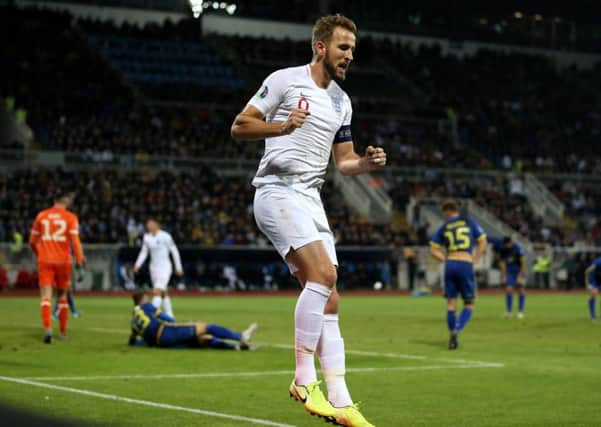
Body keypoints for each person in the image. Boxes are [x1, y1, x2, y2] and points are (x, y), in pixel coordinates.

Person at [231, 14, 385, 427]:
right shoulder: (284, 80)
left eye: (352, 49)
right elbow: (240, 126)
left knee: (330, 299)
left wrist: (366, 162)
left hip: (310, 198)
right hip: (277, 190)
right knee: (322, 278)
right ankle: (303, 379)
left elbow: (344, 161)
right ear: (320, 47)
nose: (349, 55)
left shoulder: (342, 101)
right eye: (343, 47)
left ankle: (341, 400)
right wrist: (281, 127)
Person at [29, 192, 86, 343]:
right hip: (63, 262)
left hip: (45, 260)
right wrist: (79, 262)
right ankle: (62, 333)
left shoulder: (41, 216)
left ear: (54, 200)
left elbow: (32, 241)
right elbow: (75, 242)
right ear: (66, 201)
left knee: (45, 296)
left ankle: (48, 330)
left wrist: (39, 254)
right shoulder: (71, 217)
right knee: (62, 296)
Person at [430, 199, 487, 350]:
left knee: (451, 304)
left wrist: (446, 258)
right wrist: (476, 259)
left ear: (447, 211)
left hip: (451, 263)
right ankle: (457, 330)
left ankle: (452, 335)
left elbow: (433, 250)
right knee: (469, 303)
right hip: (465, 262)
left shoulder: (444, 226)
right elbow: (483, 241)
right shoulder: (468, 221)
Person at [128, 291, 258, 350]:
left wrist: (146, 343)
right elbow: (165, 317)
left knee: (202, 339)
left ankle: (236, 347)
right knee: (205, 327)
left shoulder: (133, 320)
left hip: (161, 344)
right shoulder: (146, 306)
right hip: (166, 332)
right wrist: (175, 323)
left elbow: (133, 342)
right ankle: (241, 336)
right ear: (143, 299)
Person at [134, 218, 182, 318]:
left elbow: (174, 251)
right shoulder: (146, 237)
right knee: (163, 292)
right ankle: (170, 315)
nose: (148, 226)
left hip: (165, 267)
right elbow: (144, 252)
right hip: (153, 269)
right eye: (147, 224)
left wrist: (178, 267)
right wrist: (138, 264)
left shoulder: (166, 236)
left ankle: (150, 314)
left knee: (158, 290)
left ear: (157, 225)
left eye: (150, 224)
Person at [496, 237, 527, 318]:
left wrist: (520, 275)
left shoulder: (517, 248)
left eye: (508, 244)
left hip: (518, 271)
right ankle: (509, 312)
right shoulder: (503, 250)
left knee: (520, 289)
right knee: (508, 289)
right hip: (509, 272)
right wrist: (503, 276)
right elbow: (502, 264)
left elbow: (523, 262)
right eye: (505, 245)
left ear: (511, 243)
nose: (507, 246)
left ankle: (520, 312)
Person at [585, 256, 601, 321]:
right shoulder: (598, 261)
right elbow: (588, 271)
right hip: (594, 280)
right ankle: (593, 316)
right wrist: (587, 284)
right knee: (593, 294)